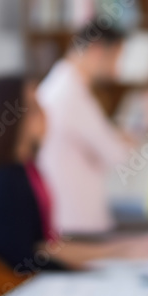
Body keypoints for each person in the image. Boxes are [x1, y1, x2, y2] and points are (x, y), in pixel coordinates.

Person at [0, 76, 148, 273]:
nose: (47, 113)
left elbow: (45, 247)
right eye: (35, 108)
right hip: (23, 292)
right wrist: (115, 254)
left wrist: (121, 250)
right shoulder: (3, 182)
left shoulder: (24, 171)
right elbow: (28, 257)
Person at [36, 17, 134, 235]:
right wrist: (123, 139)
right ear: (97, 50)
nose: (117, 70)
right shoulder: (71, 95)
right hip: (76, 222)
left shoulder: (61, 85)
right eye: (116, 59)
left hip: (71, 217)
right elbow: (116, 153)